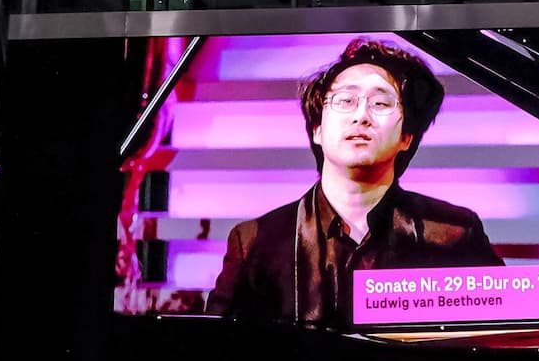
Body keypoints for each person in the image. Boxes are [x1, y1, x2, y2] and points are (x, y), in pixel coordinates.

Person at [206, 38, 502, 332]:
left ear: (406, 137)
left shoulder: (453, 233)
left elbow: (505, 330)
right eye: (345, 101)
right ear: (317, 129)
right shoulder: (257, 242)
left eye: (381, 103)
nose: (361, 116)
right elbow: (218, 354)